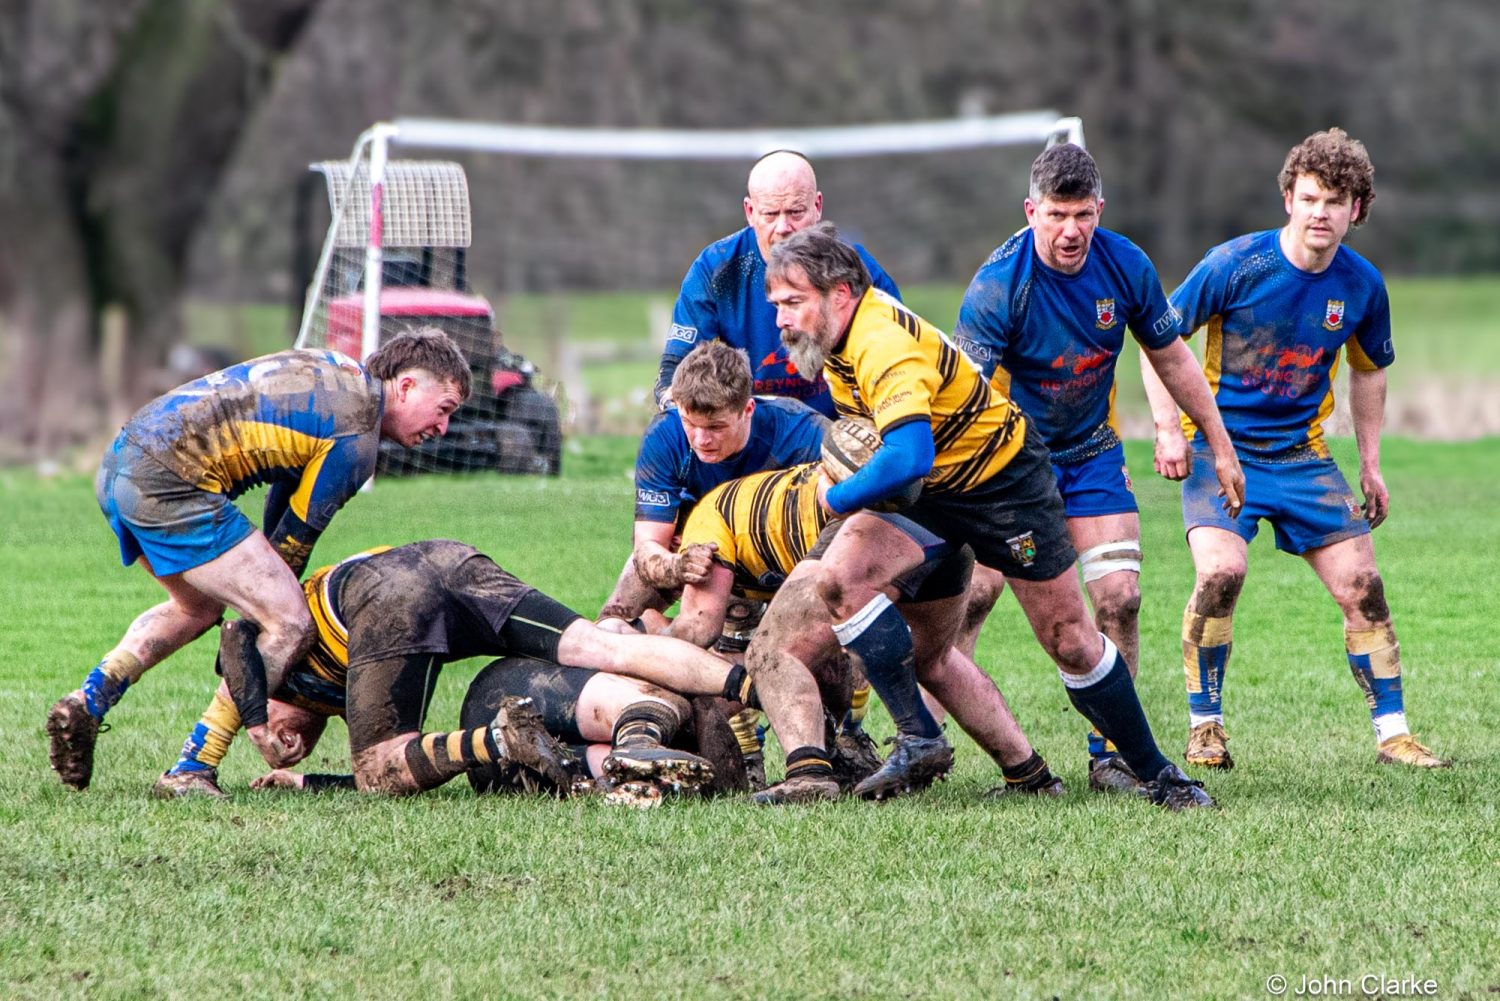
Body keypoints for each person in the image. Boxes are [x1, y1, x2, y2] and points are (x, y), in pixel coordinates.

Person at [763, 221, 1214, 809]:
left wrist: (838, 496)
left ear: (840, 294)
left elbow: (908, 454)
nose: (781, 318)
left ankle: (1160, 775)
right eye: (777, 304)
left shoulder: (881, 342)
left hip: (1004, 486)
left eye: (792, 302)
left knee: (1070, 640)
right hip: (930, 494)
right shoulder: (835, 343)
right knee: (841, 580)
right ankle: (920, 738)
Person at [1141, 128, 1448, 771]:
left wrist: (1370, 464)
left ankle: (1394, 736)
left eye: (1335, 202)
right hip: (1221, 451)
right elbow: (1158, 339)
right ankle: (1205, 727)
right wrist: (1168, 427)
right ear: (1288, 199)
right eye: (1309, 198)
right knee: (1221, 573)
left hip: (1303, 457)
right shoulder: (1234, 263)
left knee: (1364, 586)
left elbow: (1369, 370)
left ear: (1356, 209)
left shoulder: (1362, 285)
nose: (1320, 213)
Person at [45, 329, 471, 791]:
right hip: (171, 479)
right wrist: (256, 643)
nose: (443, 428)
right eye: (444, 409)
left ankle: (89, 700)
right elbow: (295, 540)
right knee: (290, 622)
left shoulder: (337, 370)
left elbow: (282, 498)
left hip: (121, 463)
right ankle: (193, 766)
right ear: (405, 386)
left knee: (197, 608)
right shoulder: (356, 437)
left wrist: (259, 601)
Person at [952, 143, 1244, 795]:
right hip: (1010, 462)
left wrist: (1218, 442)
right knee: (972, 597)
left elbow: (1172, 356)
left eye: (1082, 214)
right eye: (1056, 215)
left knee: (1120, 599)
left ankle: (1110, 757)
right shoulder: (999, 284)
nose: (1070, 230)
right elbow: (961, 394)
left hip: (1091, 455)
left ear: (1099, 210)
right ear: (1031, 211)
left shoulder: (1125, 265)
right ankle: (933, 742)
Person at [156, 540, 749, 798]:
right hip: (449, 559)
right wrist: (305, 782)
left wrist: (256, 725)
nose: (291, 746)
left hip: (388, 594)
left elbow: (232, 638)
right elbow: (400, 751)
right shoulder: (347, 694)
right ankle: (750, 685)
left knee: (377, 770)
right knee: (601, 645)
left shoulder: (269, 660)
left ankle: (500, 739)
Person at [663, 459, 1063, 804]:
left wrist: (648, 653)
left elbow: (699, 623)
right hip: (945, 520)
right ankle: (1030, 776)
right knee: (935, 661)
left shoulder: (707, 518)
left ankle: (810, 775)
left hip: (878, 522)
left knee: (771, 651)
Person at [653, 150, 901, 418]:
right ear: (750, 211)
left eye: (795, 212)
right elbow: (675, 372)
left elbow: (898, 357)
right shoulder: (716, 270)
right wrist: (679, 406)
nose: (783, 227)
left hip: (841, 427)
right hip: (749, 428)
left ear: (817, 206)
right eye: (770, 214)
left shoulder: (852, 267)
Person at [600, 340, 827, 622]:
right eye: (689, 422)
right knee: (612, 623)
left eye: (715, 426)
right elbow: (647, 546)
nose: (701, 439)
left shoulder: (805, 435)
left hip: (786, 555)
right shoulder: (666, 435)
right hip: (700, 550)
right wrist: (680, 566)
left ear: (748, 409)